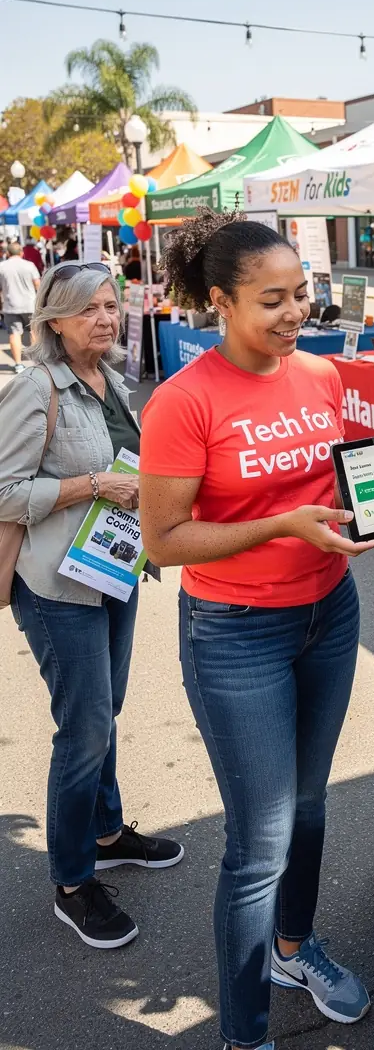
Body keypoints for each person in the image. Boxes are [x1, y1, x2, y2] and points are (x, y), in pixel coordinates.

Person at [138, 211, 374, 1050]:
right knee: (259, 842)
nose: (294, 311)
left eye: (301, 292)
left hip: (329, 612)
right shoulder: (183, 399)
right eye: (271, 299)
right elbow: (161, 541)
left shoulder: (315, 374)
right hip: (235, 632)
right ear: (219, 302)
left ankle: (294, 945)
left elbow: (327, 489)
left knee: (309, 810)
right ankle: (247, 1033)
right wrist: (282, 527)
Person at [0, 261, 182, 950]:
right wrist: (86, 486)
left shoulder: (113, 383)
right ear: (53, 320)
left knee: (106, 713)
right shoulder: (35, 388)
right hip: (55, 587)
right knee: (82, 732)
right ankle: (73, 882)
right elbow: (2, 489)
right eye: (88, 310)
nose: (106, 319)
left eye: (111, 305)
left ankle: (106, 834)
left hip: (113, 571)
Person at [0, 240, 41, 373]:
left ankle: (18, 364)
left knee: (14, 334)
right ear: (22, 253)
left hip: (10, 305)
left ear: (7, 253)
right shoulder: (29, 265)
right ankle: (37, 363)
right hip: (30, 304)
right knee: (34, 332)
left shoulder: (2, 267)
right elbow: (38, 285)